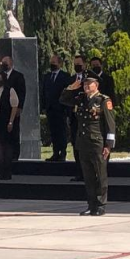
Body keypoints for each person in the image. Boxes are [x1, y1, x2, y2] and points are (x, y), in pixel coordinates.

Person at [61, 77, 115, 216]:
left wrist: (109, 145)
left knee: (100, 174)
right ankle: (91, 205)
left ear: (96, 85)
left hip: (97, 141)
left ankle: (101, 205)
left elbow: (110, 124)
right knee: (88, 175)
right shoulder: (80, 98)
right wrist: (70, 88)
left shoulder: (103, 100)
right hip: (83, 141)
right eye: (84, 84)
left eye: (88, 84)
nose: (85, 86)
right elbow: (63, 100)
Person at [0, 71, 19, 180]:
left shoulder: (10, 91)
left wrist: (11, 121)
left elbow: (14, 106)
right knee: (0, 147)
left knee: (8, 146)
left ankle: (8, 171)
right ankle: (2, 171)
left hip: (6, 120)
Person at [41, 54, 71, 162]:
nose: (52, 64)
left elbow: (67, 93)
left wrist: (66, 109)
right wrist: (44, 106)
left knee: (61, 131)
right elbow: (44, 92)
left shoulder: (65, 76)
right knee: (53, 131)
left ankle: (62, 152)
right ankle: (55, 152)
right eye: (51, 62)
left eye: (54, 62)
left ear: (60, 64)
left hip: (61, 109)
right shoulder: (47, 76)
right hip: (50, 109)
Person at [0, 56, 25, 161]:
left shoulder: (18, 76)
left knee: (14, 132)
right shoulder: (0, 76)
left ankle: (15, 155)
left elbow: (22, 93)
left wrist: (20, 107)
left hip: (14, 109)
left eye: (6, 63)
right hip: (3, 110)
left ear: (11, 63)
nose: (4, 65)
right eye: (2, 63)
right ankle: (5, 155)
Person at [68, 55, 88, 181]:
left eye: (79, 64)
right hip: (74, 118)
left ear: (85, 65)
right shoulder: (71, 79)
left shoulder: (89, 80)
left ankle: (88, 173)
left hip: (86, 118)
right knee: (76, 145)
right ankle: (79, 172)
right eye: (75, 64)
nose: (77, 66)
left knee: (86, 146)